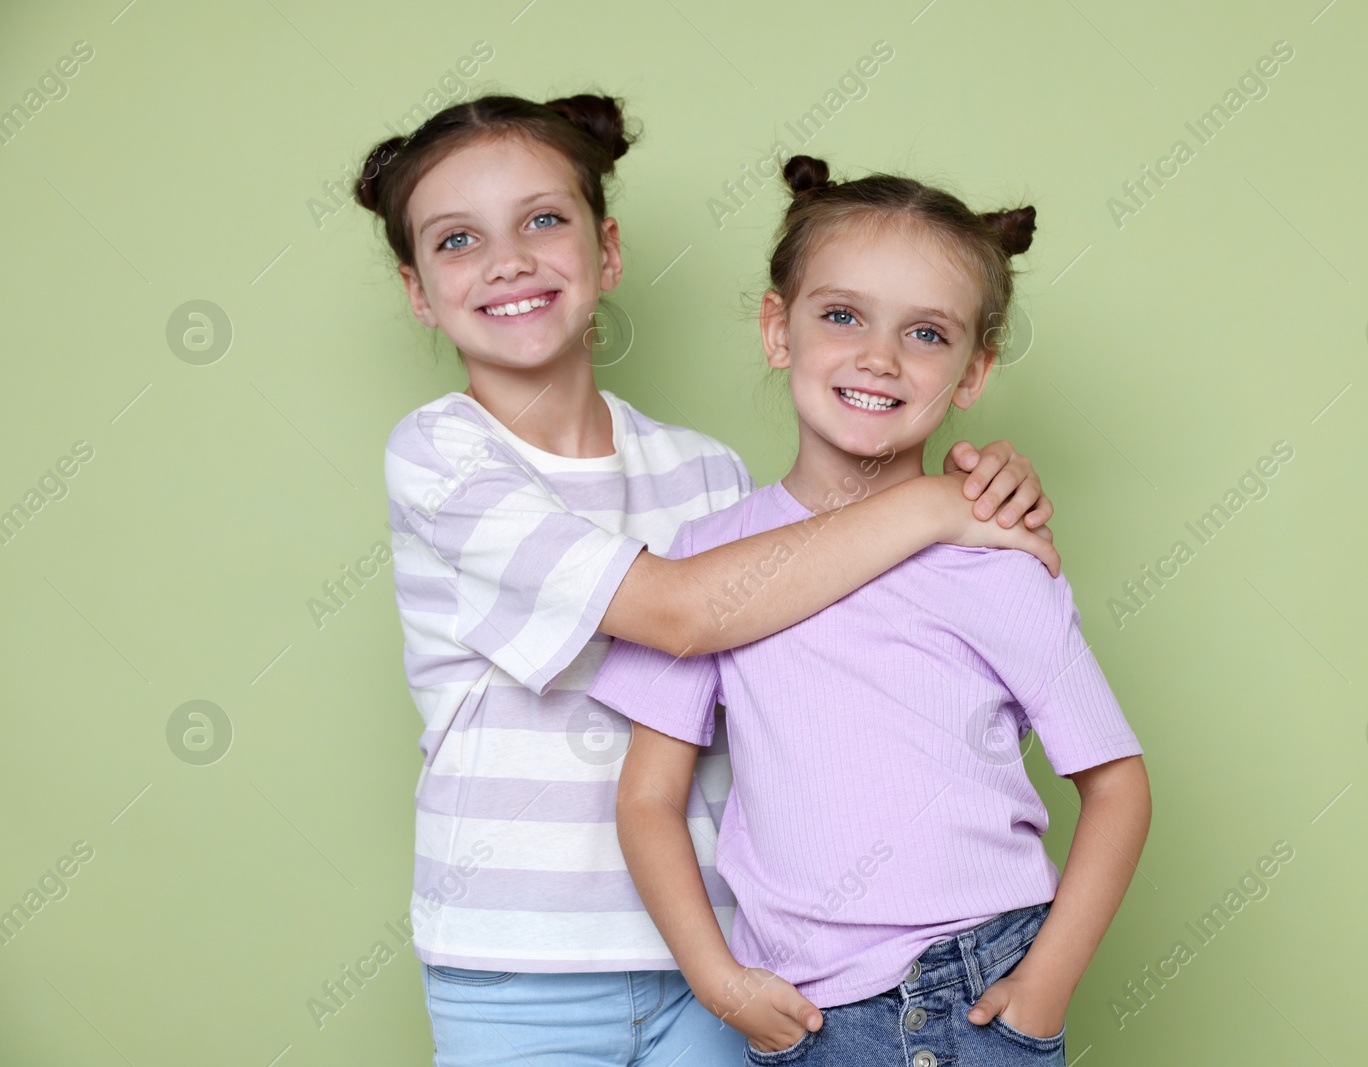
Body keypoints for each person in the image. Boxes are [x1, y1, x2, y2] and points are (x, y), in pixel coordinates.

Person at [355, 93, 1061, 1066]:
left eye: (543, 219)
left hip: (724, 960)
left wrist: (987, 494)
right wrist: (942, 504)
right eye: (457, 239)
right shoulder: (438, 456)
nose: (508, 258)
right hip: (518, 962)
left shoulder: (707, 473)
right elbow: (680, 612)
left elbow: (841, 646)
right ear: (416, 288)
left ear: (605, 251)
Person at [593, 155, 1152, 1066]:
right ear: (779, 328)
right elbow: (648, 798)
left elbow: (1119, 784)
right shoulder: (707, 561)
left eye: (927, 334)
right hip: (804, 1015)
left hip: (977, 990)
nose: (879, 358)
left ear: (973, 371)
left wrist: (1043, 992)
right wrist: (714, 975)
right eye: (842, 315)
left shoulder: (998, 555)